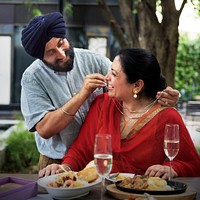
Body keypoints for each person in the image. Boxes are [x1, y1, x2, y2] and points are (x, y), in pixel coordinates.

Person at [20, 12, 179, 170]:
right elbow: (45, 129)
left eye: (61, 43)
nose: (61, 54)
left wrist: (162, 92)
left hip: (96, 160)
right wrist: (83, 94)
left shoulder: (93, 59)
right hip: (57, 162)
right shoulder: (32, 78)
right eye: (51, 52)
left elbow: (130, 75)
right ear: (41, 57)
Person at [39, 48, 200, 179]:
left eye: (114, 74)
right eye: (110, 71)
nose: (107, 77)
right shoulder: (103, 105)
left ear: (137, 85)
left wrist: (170, 169)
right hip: (99, 192)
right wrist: (64, 167)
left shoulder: (168, 117)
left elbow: (192, 164)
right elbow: (81, 150)